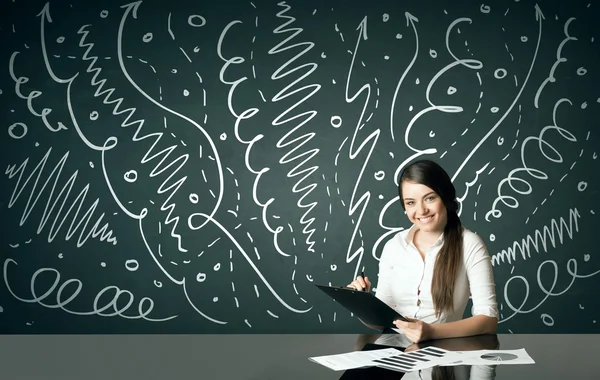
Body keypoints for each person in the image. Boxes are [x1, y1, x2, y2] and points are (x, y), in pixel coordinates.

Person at [347, 159, 498, 343]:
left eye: (430, 198)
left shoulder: (470, 244)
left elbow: (488, 320)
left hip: (444, 359)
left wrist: (431, 331)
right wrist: (361, 302)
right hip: (393, 358)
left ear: (445, 197)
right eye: (411, 202)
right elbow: (382, 322)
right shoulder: (394, 246)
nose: (421, 210)